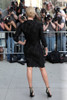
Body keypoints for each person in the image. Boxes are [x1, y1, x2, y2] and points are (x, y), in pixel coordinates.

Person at [14, 6, 52, 97]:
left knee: (29, 68)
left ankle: (31, 90)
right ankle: (48, 89)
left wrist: (22, 43)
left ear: (26, 14)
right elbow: (42, 38)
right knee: (42, 68)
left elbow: (15, 37)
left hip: (28, 48)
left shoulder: (23, 25)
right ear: (34, 14)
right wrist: (46, 48)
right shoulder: (38, 25)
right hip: (37, 48)